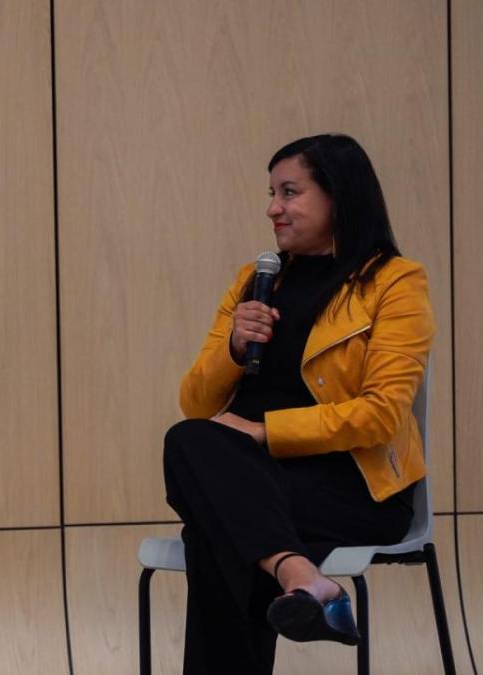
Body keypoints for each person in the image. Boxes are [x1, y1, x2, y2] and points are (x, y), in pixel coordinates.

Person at [163, 134, 434, 674]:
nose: (273, 208)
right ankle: (299, 575)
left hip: (352, 486)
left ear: (340, 196)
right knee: (192, 444)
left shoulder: (394, 284)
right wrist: (235, 349)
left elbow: (381, 413)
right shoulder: (255, 280)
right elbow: (196, 403)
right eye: (271, 193)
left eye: (290, 192)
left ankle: (300, 575)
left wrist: (265, 433)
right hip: (258, 481)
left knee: (214, 522)